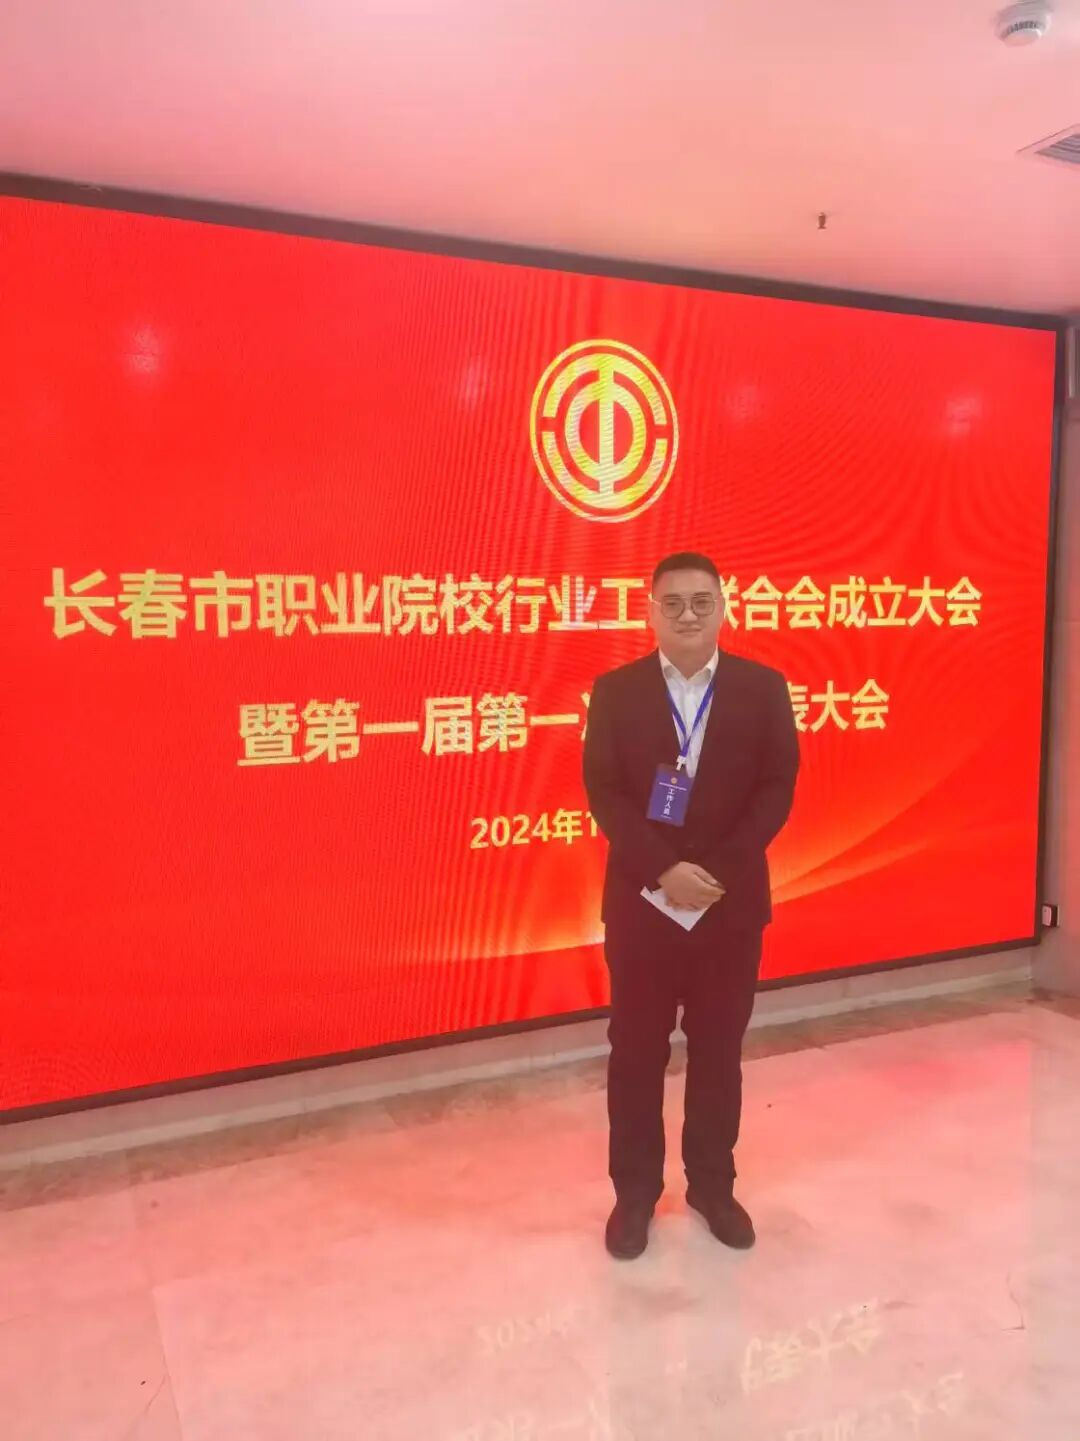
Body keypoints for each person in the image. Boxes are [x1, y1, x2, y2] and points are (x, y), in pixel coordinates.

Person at [582, 551, 799, 1259]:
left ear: (724, 607)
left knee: (718, 1052)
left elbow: (776, 788)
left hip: (728, 907)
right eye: (672, 602)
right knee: (635, 1054)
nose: (687, 614)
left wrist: (714, 873)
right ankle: (634, 1195)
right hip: (642, 905)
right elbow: (605, 791)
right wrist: (663, 870)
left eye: (701, 601)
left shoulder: (762, 689)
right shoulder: (616, 691)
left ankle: (712, 1186)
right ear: (650, 611)